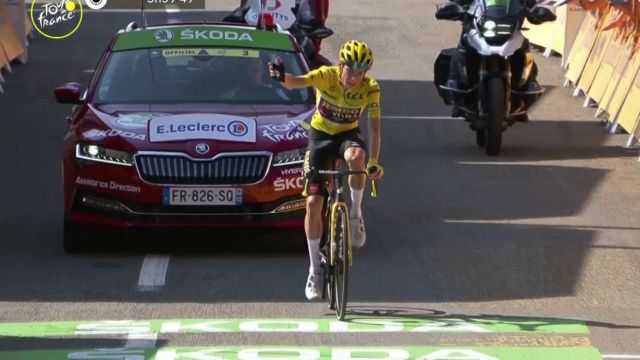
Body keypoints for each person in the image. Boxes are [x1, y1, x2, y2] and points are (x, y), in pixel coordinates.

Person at [268, 40, 384, 300]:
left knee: (357, 157)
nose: (354, 77)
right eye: (350, 70)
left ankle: (355, 214)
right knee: (312, 203)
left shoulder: (370, 88)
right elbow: (296, 82)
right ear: (340, 65)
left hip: (347, 136)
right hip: (320, 137)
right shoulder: (325, 76)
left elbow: (374, 128)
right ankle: (314, 269)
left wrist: (373, 161)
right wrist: (280, 76)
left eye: (360, 72)